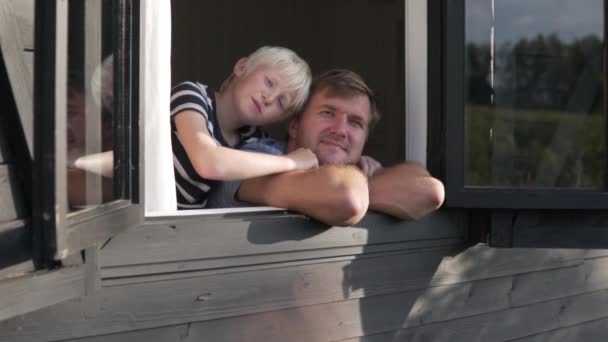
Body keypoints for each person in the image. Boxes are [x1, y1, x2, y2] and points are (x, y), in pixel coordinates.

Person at [207, 69, 445, 226]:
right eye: (327, 113)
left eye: (355, 122)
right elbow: (347, 197)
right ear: (294, 125)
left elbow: (429, 191)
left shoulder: (358, 173)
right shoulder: (256, 157)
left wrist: (358, 180)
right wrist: (363, 183)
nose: (340, 130)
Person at [170, 46, 318, 210]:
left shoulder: (255, 141)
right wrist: (293, 161)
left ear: (277, 119)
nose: (269, 98)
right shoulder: (193, 94)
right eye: (269, 82)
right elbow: (208, 162)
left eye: (281, 102)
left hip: (183, 229)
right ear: (242, 67)